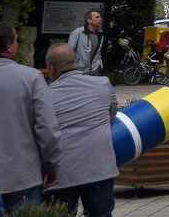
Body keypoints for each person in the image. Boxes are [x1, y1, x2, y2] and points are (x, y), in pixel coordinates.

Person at [0, 22, 61, 215]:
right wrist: (51, 164)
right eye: (16, 40)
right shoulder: (31, 78)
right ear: (9, 46)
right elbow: (47, 129)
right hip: (21, 175)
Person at [44, 43, 119, 217]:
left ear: (51, 69)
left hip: (61, 173)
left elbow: (41, 132)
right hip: (99, 168)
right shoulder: (103, 84)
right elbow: (111, 117)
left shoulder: (44, 95)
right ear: (77, 61)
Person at [67, 9, 105, 75]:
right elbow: (69, 51)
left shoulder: (100, 35)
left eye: (100, 17)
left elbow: (98, 52)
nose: (100, 19)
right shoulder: (78, 32)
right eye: (97, 17)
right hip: (80, 71)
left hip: (95, 70)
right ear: (89, 20)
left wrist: (99, 64)